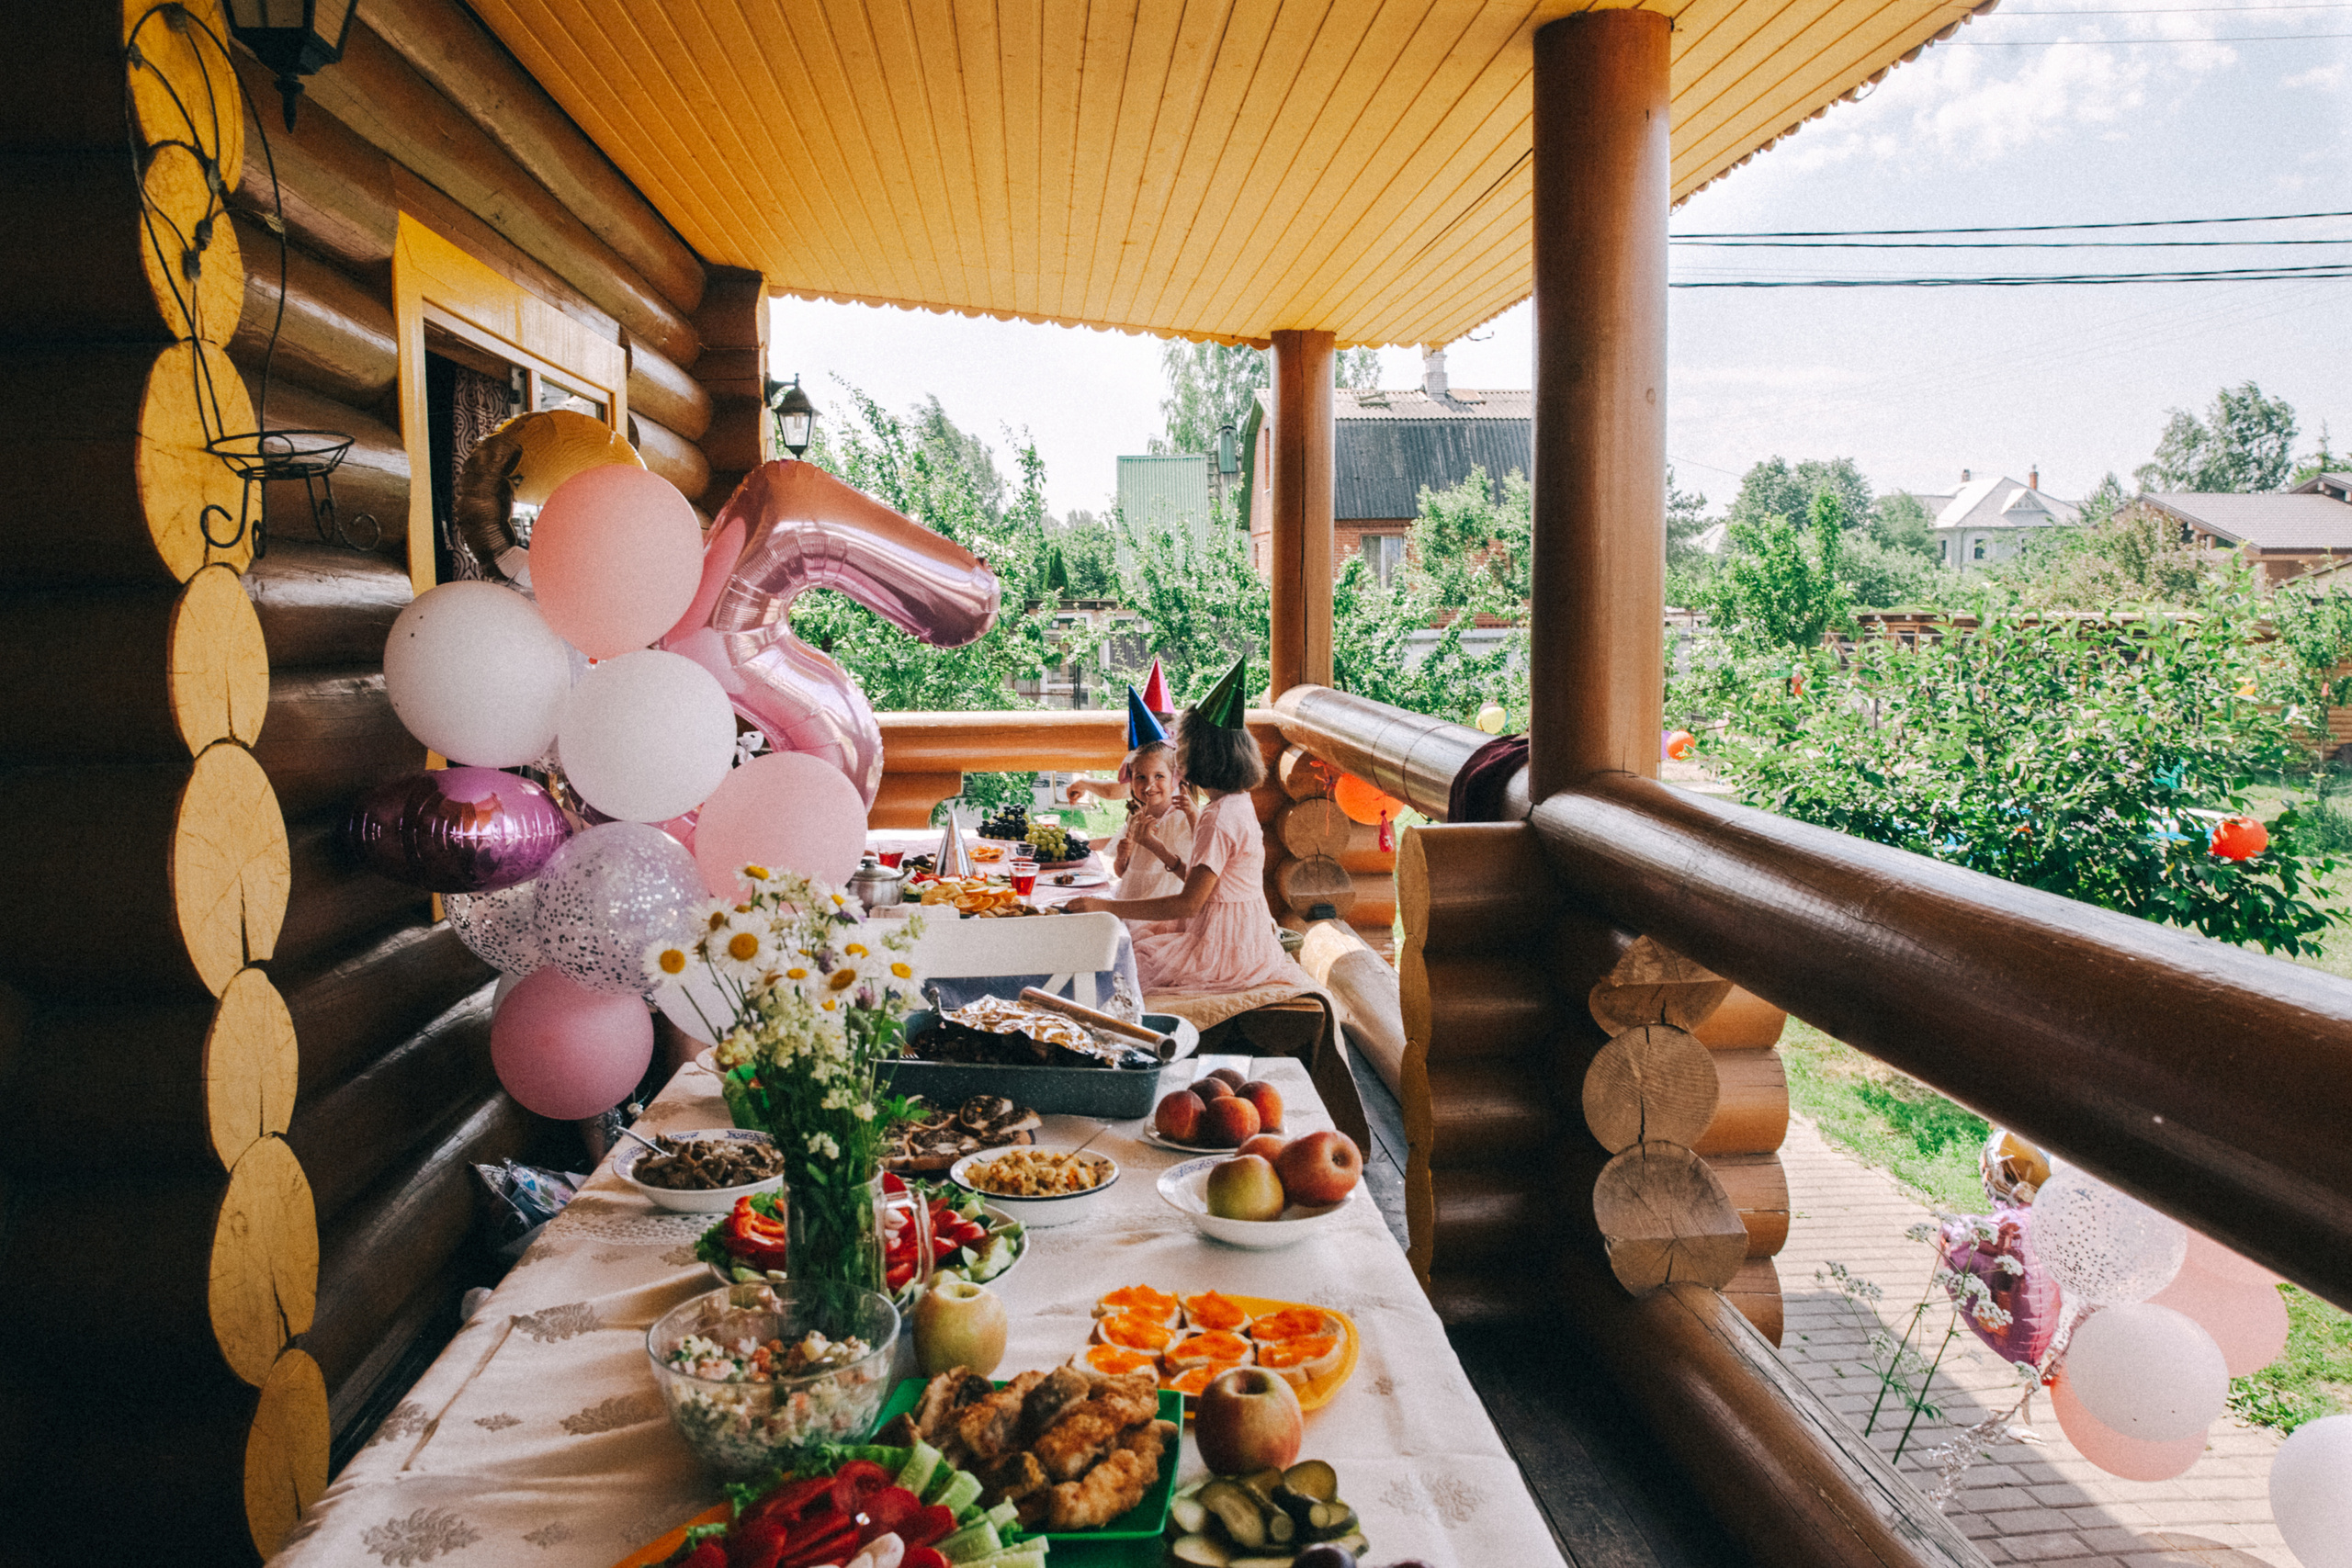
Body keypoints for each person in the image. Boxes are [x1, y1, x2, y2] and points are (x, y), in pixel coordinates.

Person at [1064, 659, 1311, 995]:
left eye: (1182, 746)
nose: (1178, 754)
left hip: (1224, 949)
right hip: (1244, 938)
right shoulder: (1236, 803)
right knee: (1124, 947)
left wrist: (1106, 906)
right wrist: (1158, 849)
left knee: (1119, 963)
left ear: (1202, 756)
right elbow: (1207, 885)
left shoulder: (1217, 817)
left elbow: (1188, 904)